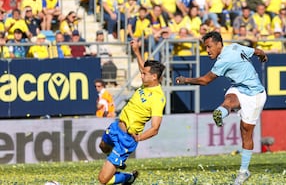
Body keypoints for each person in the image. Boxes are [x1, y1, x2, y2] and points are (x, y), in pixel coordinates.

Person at [175, 31, 267, 185]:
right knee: (229, 99)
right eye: (206, 48)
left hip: (255, 95)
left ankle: (244, 171)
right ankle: (221, 112)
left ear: (219, 44)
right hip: (239, 88)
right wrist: (262, 55)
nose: (208, 51)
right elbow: (255, 51)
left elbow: (205, 81)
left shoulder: (223, 60)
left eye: (209, 47)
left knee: (246, 132)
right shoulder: (236, 47)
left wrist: (186, 79)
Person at [97, 39, 166, 184]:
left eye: (144, 74)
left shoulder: (158, 98)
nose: (141, 75)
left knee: (103, 180)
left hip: (126, 139)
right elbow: (143, 67)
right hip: (117, 126)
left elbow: (155, 128)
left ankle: (128, 177)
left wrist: (139, 138)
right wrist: (136, 51)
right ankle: (115, 160)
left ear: (154, 77)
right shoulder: (147, 82)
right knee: (103, 146)